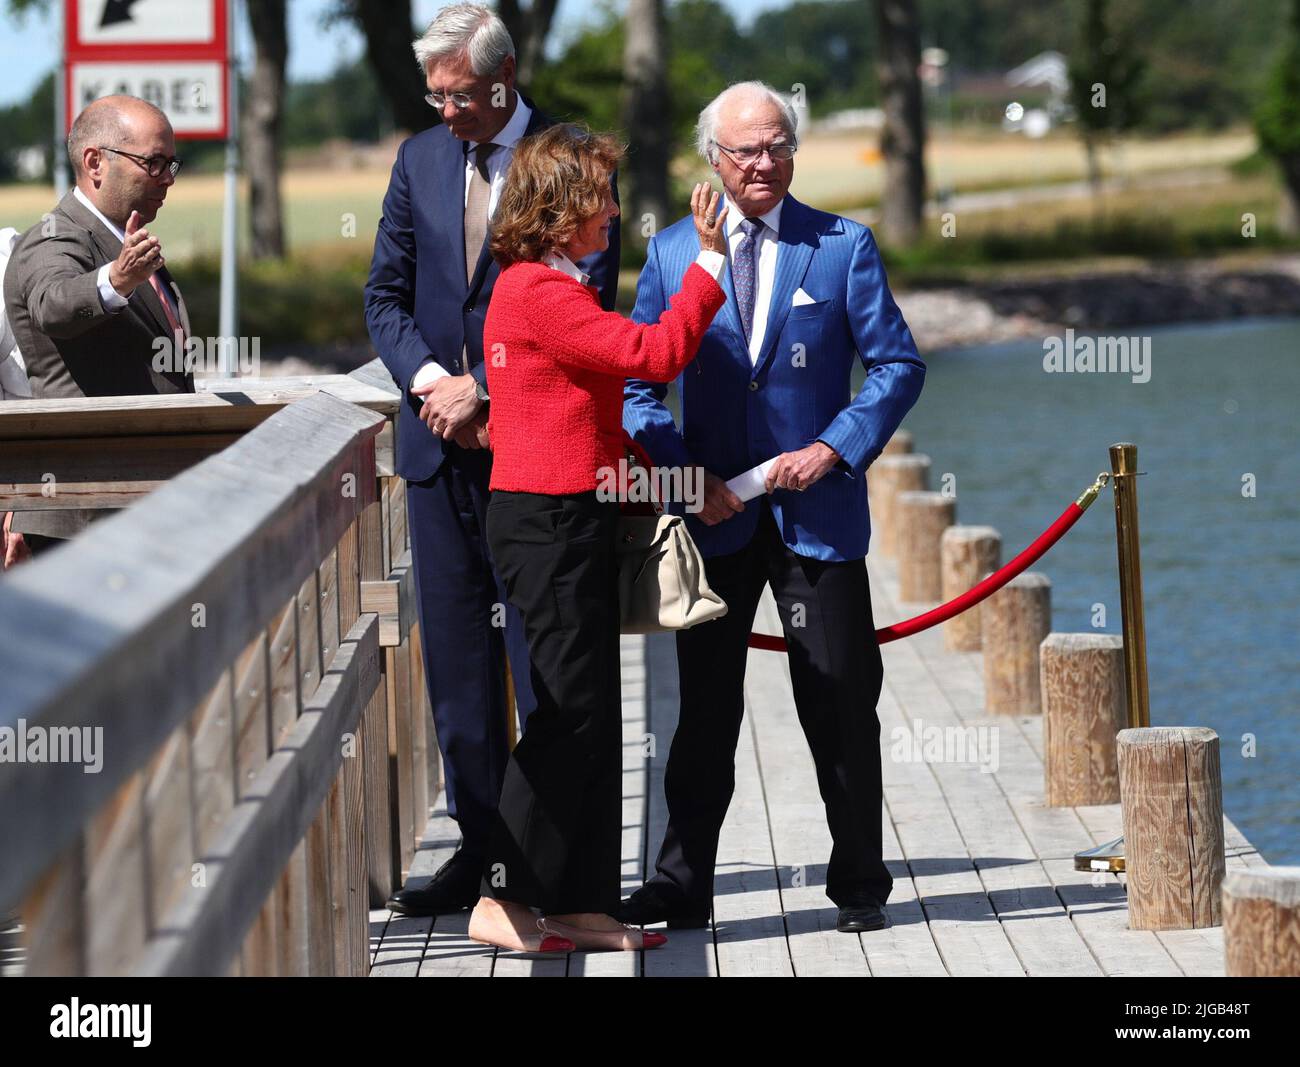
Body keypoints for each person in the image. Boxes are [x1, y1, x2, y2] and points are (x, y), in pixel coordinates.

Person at [621, 82, 927, 934]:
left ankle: (861, 885)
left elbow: (899, 368)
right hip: (714, 518)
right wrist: (686, 477)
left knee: (838, 700)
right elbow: (639, 389)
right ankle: (681, 885)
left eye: (778, 145)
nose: (764, 163)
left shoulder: (843, 246)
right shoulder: (675, 253)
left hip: (817, 517)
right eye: (746, 150)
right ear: (712, 160)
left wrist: (835, 447)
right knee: (703, 713)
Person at [364, 4, 622, 917]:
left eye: (461, 94)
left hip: (537, 462)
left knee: (551, 673)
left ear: (504, 74)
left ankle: (553, 872)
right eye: (435, 95)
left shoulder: (571, 157)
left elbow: (588, 311)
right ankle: (483, 856)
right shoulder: (419, 160)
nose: (446, 111)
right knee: (461, 678)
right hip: (437, 454)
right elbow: (383, 297)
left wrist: (490, 390)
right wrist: (437, 382)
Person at [466, 124, 729, 953]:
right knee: (566, 715)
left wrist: (649, 482)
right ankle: (500, 898)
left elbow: (588, 409)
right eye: (602, 197)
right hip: (544, 522)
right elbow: (655, 354)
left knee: (591, 714)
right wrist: (710, 263)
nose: (613, 212)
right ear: (562, 207)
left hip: (571, 514)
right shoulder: (540, 292)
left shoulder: (550, 283)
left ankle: (580, 902)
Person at [2, 95, 190, 559]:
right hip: (85, 512)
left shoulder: (122, 237)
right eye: (153, 162)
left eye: (171, 164)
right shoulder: (53, 236)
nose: (167, 178)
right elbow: (54, 305)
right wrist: (117, 279)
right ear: (95, 162)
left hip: (138, 503)